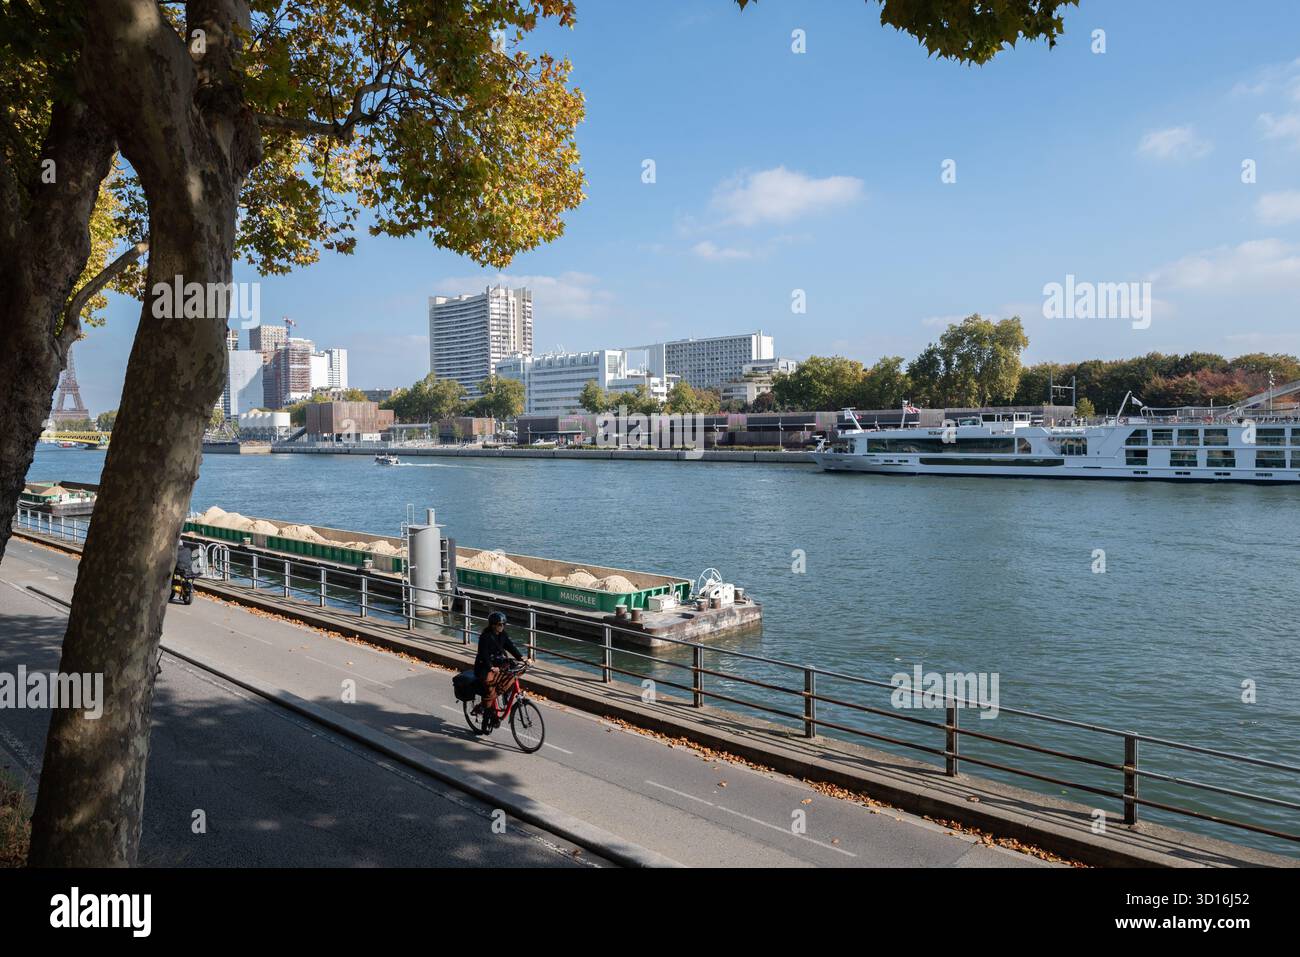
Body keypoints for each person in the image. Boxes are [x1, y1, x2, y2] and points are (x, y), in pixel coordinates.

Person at [473, 611, 524, 728]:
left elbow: (510, 646)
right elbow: (483, 654)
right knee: (490, 690)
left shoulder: (503, 635)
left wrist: (521, 658)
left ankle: (506, 694)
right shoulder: (485, 637)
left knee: (512, 674)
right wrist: (491, 667)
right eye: (500, 624)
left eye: (503, 624)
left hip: (498, 665)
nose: (502, 627)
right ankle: (485, 720)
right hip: (484, 667)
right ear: (493, 625)